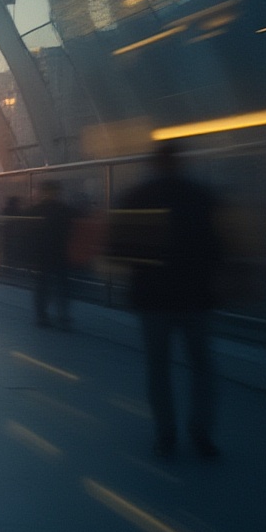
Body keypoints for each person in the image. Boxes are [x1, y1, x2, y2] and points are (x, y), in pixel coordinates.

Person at [114, 142, 223, 460]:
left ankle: (166, 434)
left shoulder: (137, 197)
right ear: (180, 163)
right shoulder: (201, 196)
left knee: (158, 369)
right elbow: (216, 247)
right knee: (202, 367)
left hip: (154, 299)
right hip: (195, 297)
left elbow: (125, 249)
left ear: (153, 164)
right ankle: (201, 433)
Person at [29, 180, 76, 327]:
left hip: (42, 254)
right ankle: (63, 317)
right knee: (62, 286)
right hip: (60, 253)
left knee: (42, 285)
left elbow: (28, 233)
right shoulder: (64, 209)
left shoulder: (36, 210)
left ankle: (42, 316)